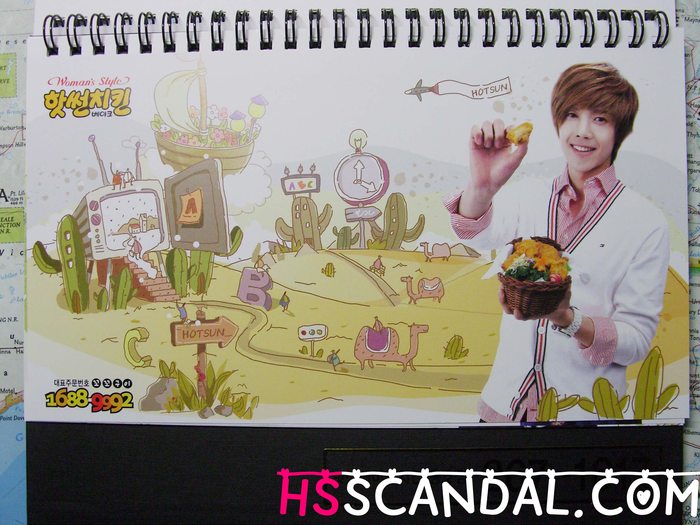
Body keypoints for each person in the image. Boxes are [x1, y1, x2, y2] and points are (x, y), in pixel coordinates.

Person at [443, 63, 669, 422]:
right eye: (572, 115)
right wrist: (482, 187)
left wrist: (567, 319)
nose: (582, 131)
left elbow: (637, 340)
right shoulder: (529, 195)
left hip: (585, 419)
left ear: (619, 131)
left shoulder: (646, 222)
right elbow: (475, 232)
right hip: (502, 409)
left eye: (600, 119)